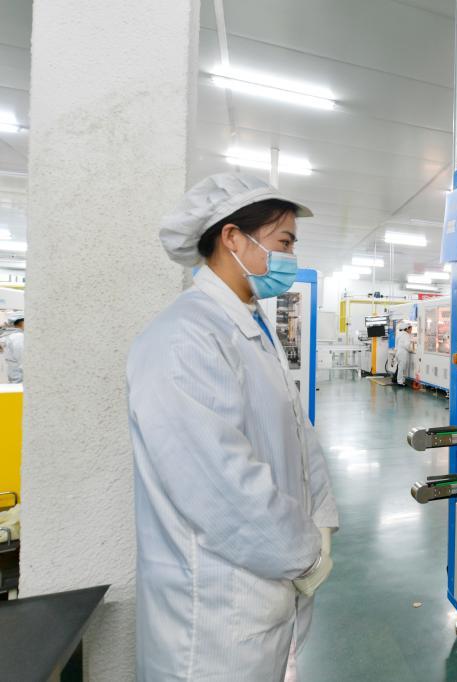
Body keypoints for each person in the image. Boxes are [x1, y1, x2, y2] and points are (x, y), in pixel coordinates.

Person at [127, 174, 339, 681]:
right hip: (216, 611)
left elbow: (297, 434)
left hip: (266, 590)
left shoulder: (250, 325)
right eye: (284, 242)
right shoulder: (185, 337)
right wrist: (304, 555)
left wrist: (322, 521)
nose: (290, 257)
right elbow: (221, 486)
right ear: (232, 238)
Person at [3, 315, 23, 383]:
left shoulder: (12, 336)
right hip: (21, 379)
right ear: (22, 322)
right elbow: (23, 360)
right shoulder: (18, 337)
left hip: (16, 378)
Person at [395, 321, 414, 387]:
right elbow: (407, 345)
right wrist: (410, 350)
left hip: (398, 353)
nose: (411, 331)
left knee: (400, 367)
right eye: (410, 329)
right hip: (403, 353)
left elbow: (396, 344)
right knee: (402, 368)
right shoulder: (406, 335)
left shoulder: (399, 334)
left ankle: (400, 381)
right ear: (407, 329)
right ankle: (400, 382)